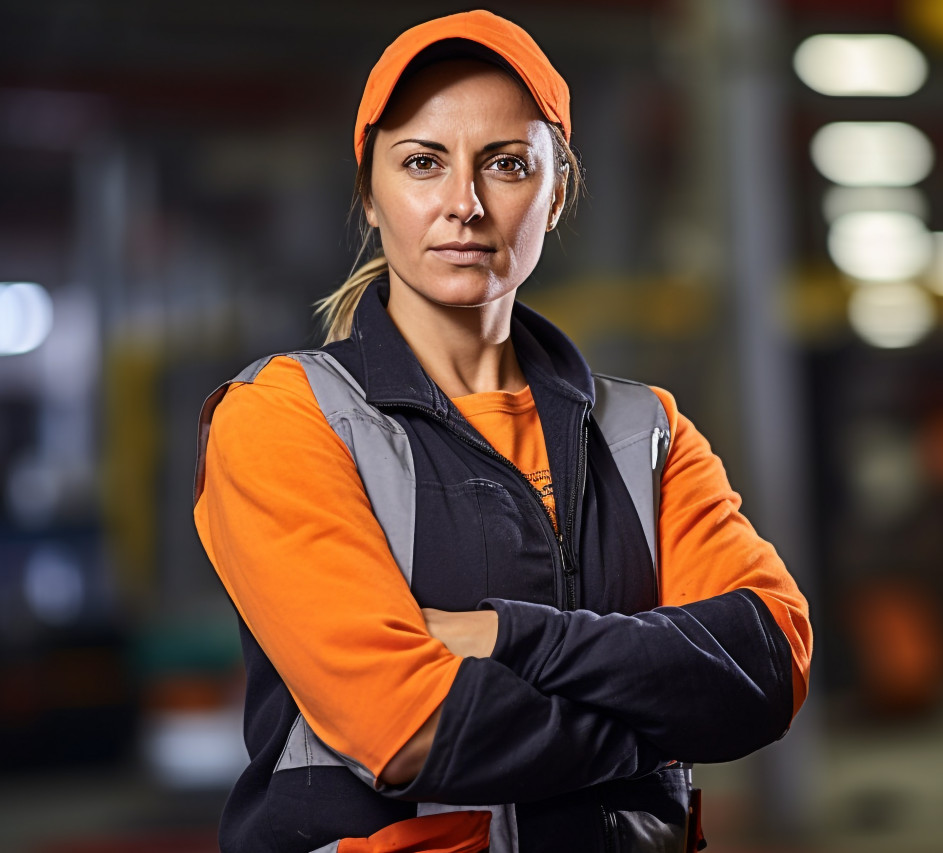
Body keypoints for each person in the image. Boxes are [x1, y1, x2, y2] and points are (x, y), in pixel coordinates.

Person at [192, 10, 811, 853]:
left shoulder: (645, 432)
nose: (465, 204)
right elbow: (408, 726)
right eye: (422, 163)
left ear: (556, 194)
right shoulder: (286, 418)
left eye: (507, 165)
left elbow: (770, 659)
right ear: (370, 197)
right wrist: (656, 733)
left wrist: (512, 636)